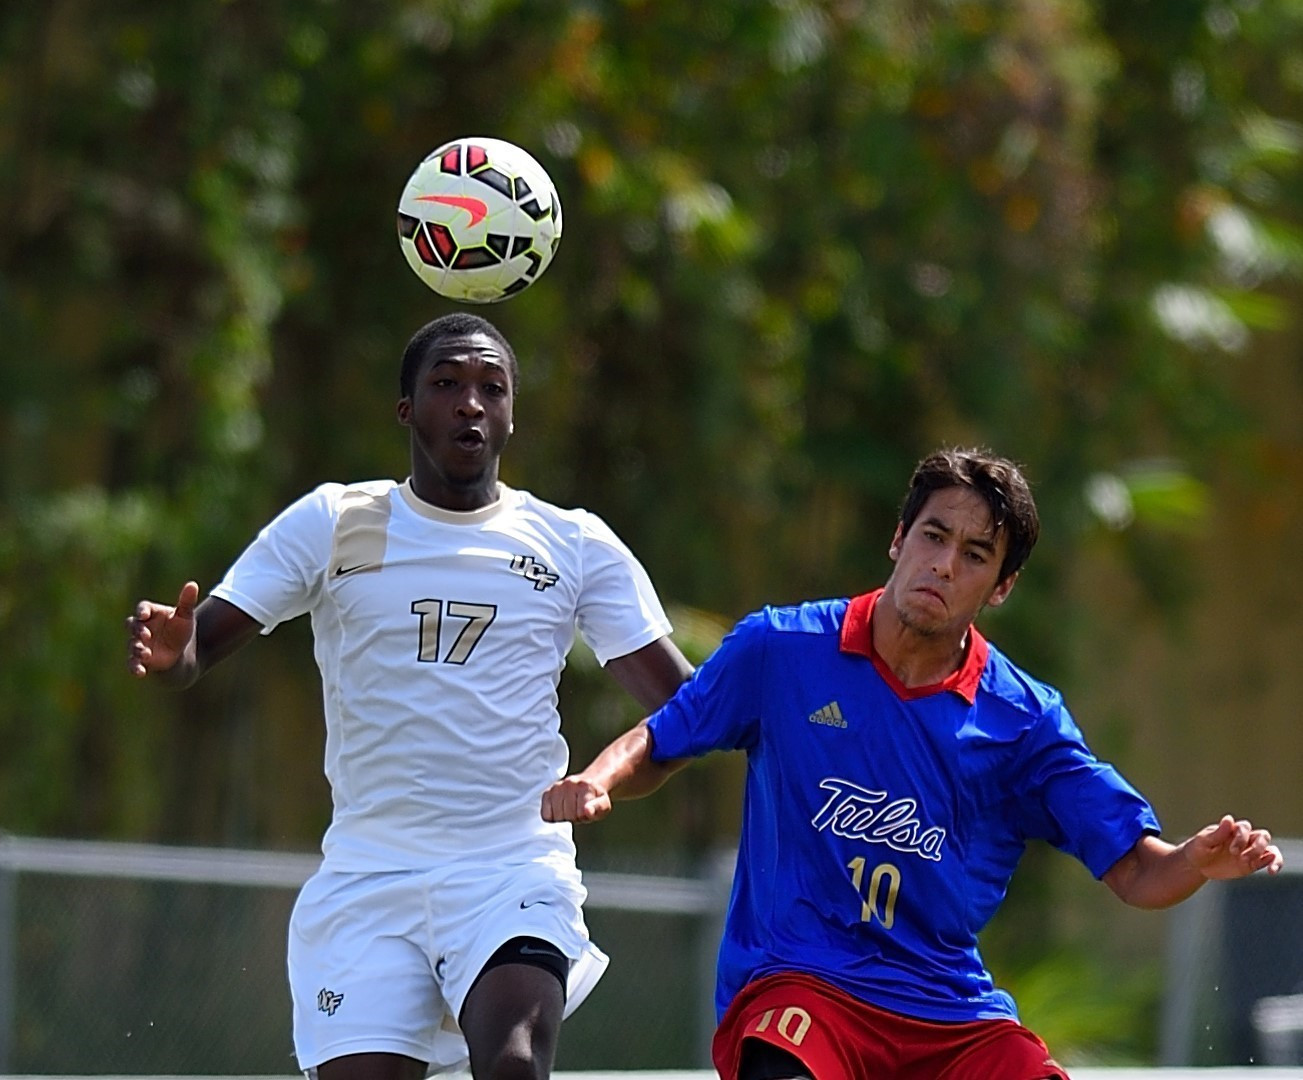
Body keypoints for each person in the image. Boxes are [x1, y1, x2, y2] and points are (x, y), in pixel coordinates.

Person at [542, 446, 1284, 1080]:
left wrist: (1192, 860)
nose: (942, 564)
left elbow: (1136, 871)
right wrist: (598, 779)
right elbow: (663, 739)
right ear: (897, 539)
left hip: (947, 1014)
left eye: (973, 555)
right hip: (801, 989)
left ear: (1000, 587)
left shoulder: (1023, 720)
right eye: (932, 535)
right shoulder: (780, 649)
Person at [126, 312, 693, 1080]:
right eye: (447, 383)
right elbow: (200, 647)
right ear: (406, 410)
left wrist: (607, 777)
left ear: (511, 415)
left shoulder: (572, 543)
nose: (470, 403)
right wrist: (173, 654)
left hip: (510, 867)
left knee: (515, 1065)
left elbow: (687, 705)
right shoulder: (335, 522)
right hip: (369, 877)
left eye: (491, 388)